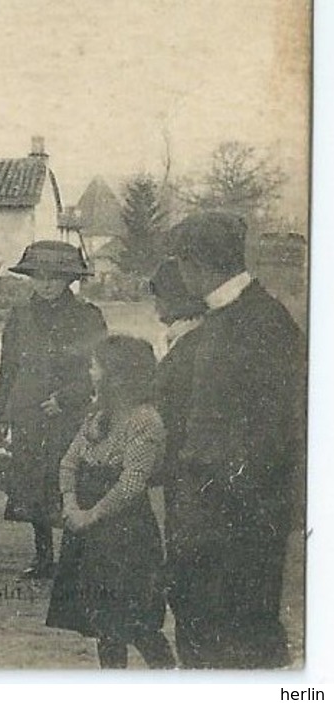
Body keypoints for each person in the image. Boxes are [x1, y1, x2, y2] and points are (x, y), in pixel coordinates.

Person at [163, 211, 306, 669]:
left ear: (193, 266)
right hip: (219, 513)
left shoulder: (256, 323)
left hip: (235, 518)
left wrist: (208, 481)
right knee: (211, 632)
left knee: (234, 642)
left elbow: (274, 431)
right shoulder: (236, 316)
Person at [45, 335, 176, 669]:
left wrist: (90, 516)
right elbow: (68, 462)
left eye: (95, 365)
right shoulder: (99, 416)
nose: (90, 371)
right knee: (105, 627)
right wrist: (71, 505)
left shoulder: (145, 420)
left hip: (126, 537)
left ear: (116, 374)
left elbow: (131, 482)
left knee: (139, 625)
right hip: (91, 537)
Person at [0, 241, 104, 579]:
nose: (45, 284)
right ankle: (43, 557)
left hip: (69, 416)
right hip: (28, 413)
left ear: (70, 279)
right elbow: (8, 367)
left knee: (70, 482)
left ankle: (75, 559)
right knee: (32, 484)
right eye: (38, 277)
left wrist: (68, 398)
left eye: (55, 277)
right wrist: (1, 415)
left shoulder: (87, 316)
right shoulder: (20, 315)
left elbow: (100, 368)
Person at [149, 257, 206, 486]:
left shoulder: (195, 342)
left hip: (187, 458)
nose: (155, 306)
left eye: (159, 298)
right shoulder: (173, 338)